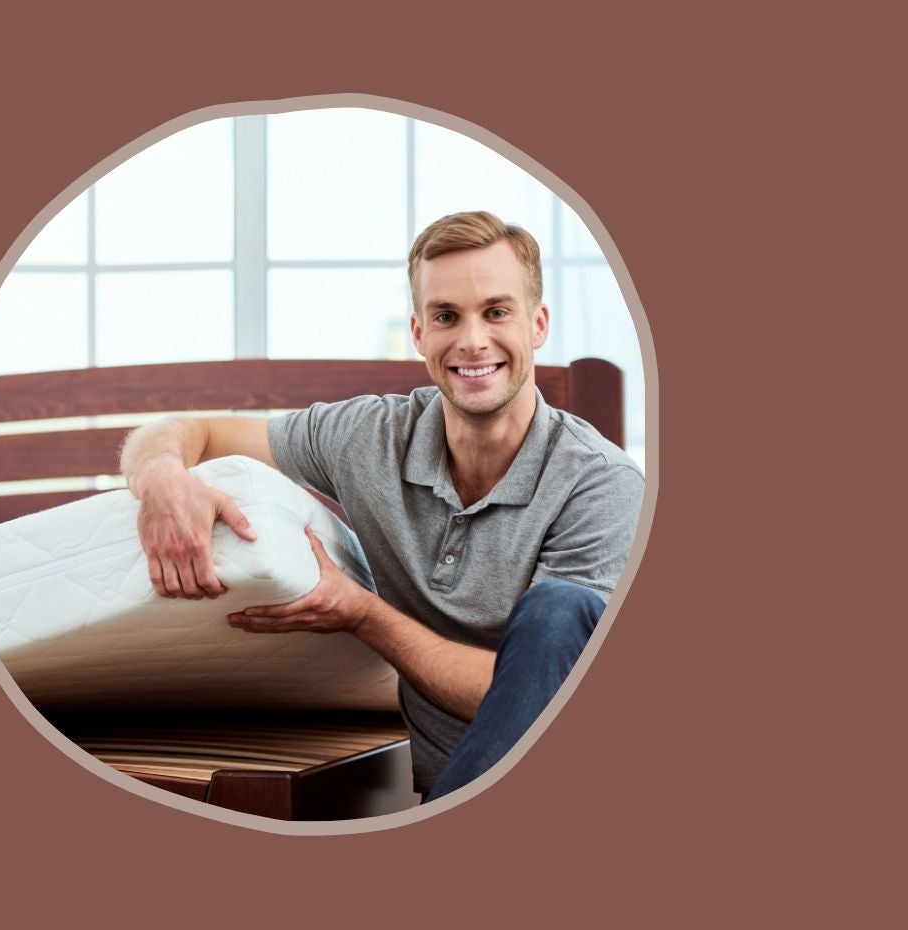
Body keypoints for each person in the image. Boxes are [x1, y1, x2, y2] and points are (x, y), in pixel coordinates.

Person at [117, 211, 644, 801]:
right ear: (419, 334)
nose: (472, 340)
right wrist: (161, 476)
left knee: (559, 610)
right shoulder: (370, 435)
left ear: (537, 324)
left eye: (496, 312)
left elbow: (537, 691)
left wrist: (362, 613)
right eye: (447, 316)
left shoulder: (601, 484)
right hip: (443, 787)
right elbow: (190, 430)